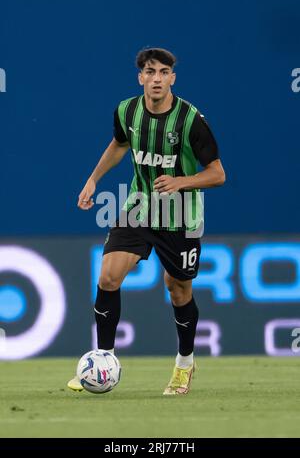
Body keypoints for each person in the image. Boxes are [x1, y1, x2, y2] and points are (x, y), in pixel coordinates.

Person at [68, 47, 225, 395]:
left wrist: (181, 182)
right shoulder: (126, 110)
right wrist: (94, 179)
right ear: (140, 77)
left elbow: (218, 174)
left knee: (177, 288)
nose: (156, 78)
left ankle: (184, 363)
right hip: (139, 206)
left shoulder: (190, 120)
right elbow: (119, 144)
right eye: (150, 72)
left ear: (172, 78)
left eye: (163, 72)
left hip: (181, 216)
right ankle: (102, 360)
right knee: (108, 276)